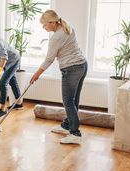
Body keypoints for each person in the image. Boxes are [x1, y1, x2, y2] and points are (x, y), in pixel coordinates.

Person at [30, 10, 87, 144]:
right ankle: (67, 125)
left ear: (52, 23)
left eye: (44, 25)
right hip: (82, 65)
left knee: (68, 101)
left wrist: (36, 74)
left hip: (72, 69)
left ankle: (75, 134)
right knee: (74, 100)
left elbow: (49, 59)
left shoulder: (56, 37)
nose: (43, 27)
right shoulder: (67, 27)